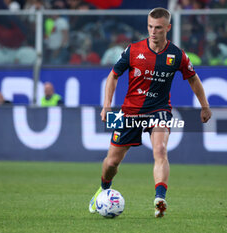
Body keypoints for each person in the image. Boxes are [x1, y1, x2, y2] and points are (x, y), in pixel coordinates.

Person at [88, 7, 212, 218]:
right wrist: (107, 105)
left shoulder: (177, 55)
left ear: (168, 28)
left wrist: (205, 105)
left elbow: (193, 78)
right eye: (150, 27)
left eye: (158, 28)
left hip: (159, 111)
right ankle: (103, 189)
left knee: (161, 150)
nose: (153, 32)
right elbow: (113, 75)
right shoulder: (133, 50)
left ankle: (160, 199)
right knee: (111, 163)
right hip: (130, 113)